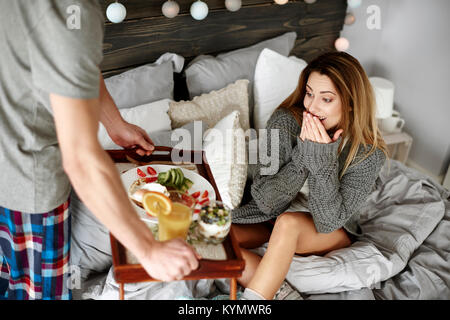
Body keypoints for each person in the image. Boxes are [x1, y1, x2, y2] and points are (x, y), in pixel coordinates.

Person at [0, 1, 199, 300]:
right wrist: (148, 249)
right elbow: (81, 160)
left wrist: (114, 123)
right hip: (23, 182)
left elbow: (74, 64)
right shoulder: (71, 8)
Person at [231, 51, 388, 300]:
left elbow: (328, 220)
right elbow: (265, 201)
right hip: (272, 215)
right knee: (213, 236)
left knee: (289, 223)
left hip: (328, 228)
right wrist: (304, 155)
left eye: (326, 99)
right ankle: (282, 293)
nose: (311, 107)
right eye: (309, 93)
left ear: (350, 102)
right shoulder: (285, 122)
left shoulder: (369, 153)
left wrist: (322, 159)